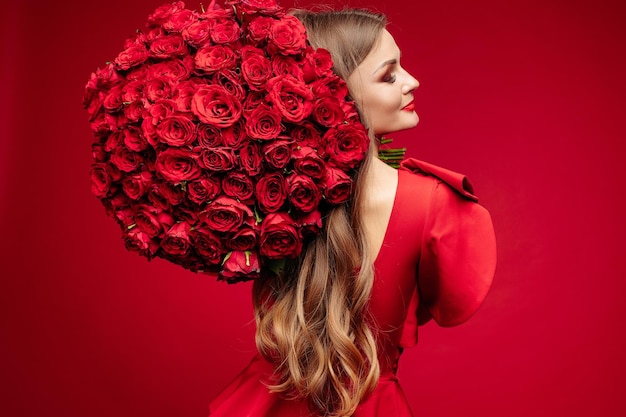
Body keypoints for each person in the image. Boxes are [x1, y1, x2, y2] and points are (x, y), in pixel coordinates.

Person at [208, 8, 497, 417]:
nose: (412, 81)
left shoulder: (262, 200)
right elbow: (447, 302)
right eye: (389, 75)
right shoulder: (433, 202)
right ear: (337, 96)